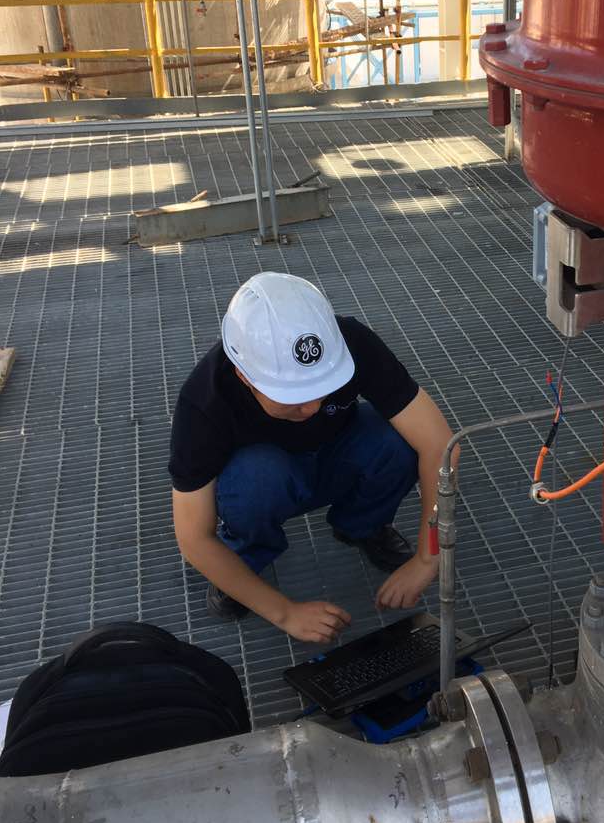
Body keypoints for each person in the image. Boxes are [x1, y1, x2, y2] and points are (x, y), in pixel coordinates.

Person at [169, 271, 455, 644]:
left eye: (323, 385)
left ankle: (361, 525)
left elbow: (442, 446)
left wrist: (428, 557)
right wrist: (284, 612)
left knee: (399, 440)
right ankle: (245, 562)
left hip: (337, 454)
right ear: (245, 377)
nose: (313, 406)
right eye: (292, 396)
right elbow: (193, 537)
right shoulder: (204, 401)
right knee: (257, 477)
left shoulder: (352, 341)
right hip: (266, 481)